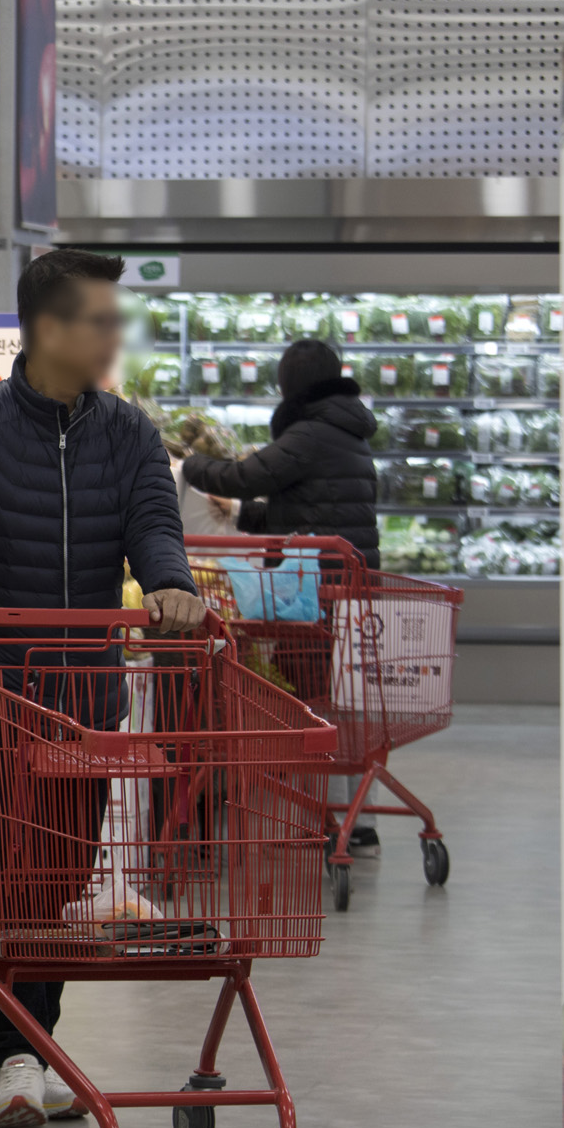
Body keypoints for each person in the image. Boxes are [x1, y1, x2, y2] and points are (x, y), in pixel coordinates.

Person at [0, 248, 204, 1128]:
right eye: (99, 319)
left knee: (63, 876)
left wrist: (171, 584)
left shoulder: (131, 433)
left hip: (89, 697)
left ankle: (35, 1046)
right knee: (12, 869)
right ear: (47, 328)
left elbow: (153, 527)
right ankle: (16, 1057)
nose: (114, 335)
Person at [180, 338, 382, 854]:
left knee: (309, 700)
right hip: (341, 587)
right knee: (332, 700)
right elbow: (307, 508)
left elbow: (250, 475)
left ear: (291, 385)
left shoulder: (312, 432)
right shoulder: (347, 430)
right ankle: (346, 816)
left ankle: (329, 817)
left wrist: (188, 466)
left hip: (315, 593)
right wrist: (243, 517)